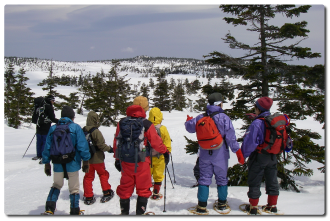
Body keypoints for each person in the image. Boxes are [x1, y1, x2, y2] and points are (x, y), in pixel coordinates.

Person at [185, 92, 244, 214]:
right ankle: (222, 204)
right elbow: (231, 137)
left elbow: (189, 128)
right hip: (220, 154)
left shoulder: (201, 117)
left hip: (205, 154)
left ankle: (201, 206)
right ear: (220, 104)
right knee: (222, 179)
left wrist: (188, 120)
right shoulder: (224, 118)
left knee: (204, 178)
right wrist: (237, 151)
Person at [113, 96, 168, 215]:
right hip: (142, 161)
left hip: (126, 161)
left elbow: (116, 142)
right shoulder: (147, 124)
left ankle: (124, 213)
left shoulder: (122, 122)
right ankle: (140, 214)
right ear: (145, 108)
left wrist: (117, 159)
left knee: (125, 188)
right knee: (143, 189)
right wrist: (165, 151)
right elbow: (156, 142)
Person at [42, 106, 91, 215]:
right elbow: (82, 146)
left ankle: (49, 209)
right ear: (72, 117)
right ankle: (74, 211)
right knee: (74, 189)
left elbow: (47, 147)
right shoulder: (76, 128)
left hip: (57, 162)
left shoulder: (53, 128)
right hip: (72, 162)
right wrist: (86, 161)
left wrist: (46, 163)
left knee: (56, 185)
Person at [241, 96, 279, 215]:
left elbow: (250, 142)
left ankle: (253, 207)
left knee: (255, 180)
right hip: (273, 155)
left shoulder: (257, 123)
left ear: (258, 108)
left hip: (259, 156)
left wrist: (243, 155)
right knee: (272, 180)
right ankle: (272, 206)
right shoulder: (274, 120)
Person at [82, 111, 114, 205]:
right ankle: (106, 192)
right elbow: (101, 145)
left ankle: (88, 196)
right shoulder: (96, 131)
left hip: (87, 159)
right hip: (98, 158)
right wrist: (109, 149)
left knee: (88, 177)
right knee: (103, 174)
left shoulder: (83, 130)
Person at [148, 107, 171, 200]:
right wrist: (167, 152)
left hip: (148, 156)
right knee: (158, 175)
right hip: (160, 156)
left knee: (147, 175)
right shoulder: (163, 128)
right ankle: (156, 193)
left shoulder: (146, 127)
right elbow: (167, 141)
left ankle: (145, 192)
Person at [32, 95, 59, 164]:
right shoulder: (49, 107)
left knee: (39, 141)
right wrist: (59, 121)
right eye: (53, 100)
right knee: (45, 141)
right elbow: (52, 118)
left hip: (38, 126)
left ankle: (39, 155)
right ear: (50, 100)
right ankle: (44, 156)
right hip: (46, 127)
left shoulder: (40, 106)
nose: (53, 102)